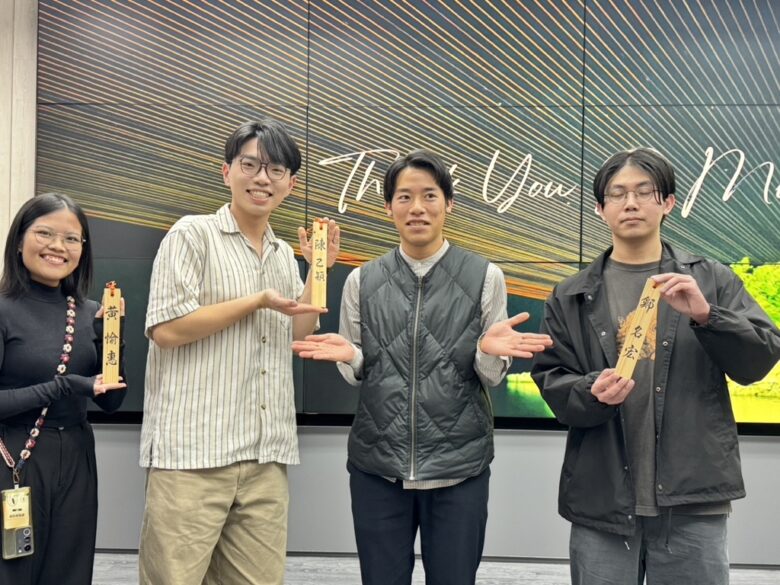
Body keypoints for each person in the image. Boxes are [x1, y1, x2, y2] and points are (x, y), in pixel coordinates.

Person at [292, 149, 552, 585]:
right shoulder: (362, 279)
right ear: (388, 207)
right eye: (404, 197)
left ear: (448, 203)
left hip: (459, 469)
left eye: (429, 196)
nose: (417, 207)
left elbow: (491, 376)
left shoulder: (485, 276)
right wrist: (351, 356)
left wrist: (488, 350)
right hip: (378, 468)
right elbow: (358, 370)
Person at [530, 148, 780, 585]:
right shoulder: (570, 294)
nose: (631, 203)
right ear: (600, 208)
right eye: (618, 194)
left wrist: (708, 316)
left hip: (693, 499)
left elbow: (759, 359)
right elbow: (552, 380)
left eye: (645, 192)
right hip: (602, 500)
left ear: (668, 202)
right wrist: (589, 391)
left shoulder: (711, 279)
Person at [138, 119, 339, 585]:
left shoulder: (282, 253)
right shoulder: (192, 234)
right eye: (250, 165)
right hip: (192, 455)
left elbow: (297, 332)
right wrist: (256, 301)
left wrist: (318, 270)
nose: (262, 178)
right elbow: (166, 329)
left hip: (265, 456)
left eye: (276, 169)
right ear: (227, 171)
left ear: (290, 184)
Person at [0, 193, 127, 585]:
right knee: (12, 572)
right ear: (19, 240)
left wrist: (113, 337)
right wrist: (65, 386)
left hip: (76, 456)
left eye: (72, 239)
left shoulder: (90, 311)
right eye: (45, 233)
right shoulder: (3, 309)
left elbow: (112, 402)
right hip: (14, 455)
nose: (58, 246)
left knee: (69, 572)